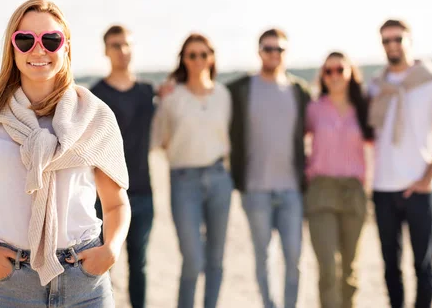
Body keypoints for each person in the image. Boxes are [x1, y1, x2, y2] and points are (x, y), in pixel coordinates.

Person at [0, 0, 131, 308]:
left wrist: (111, 249)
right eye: (26, 40)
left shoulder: (95, 117)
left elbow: (115, 204)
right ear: (12, 47)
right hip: (12, 286)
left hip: (85, 284)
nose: (38, 49)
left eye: (51, 39)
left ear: (66, 47)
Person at [369, 19, 432, 308]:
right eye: (386, 40)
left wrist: (428, 178)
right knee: (390, 265)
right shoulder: (376, 86)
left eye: (398, 39)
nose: (392, 45)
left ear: (410, 40)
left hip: (419, 189)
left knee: (423, 265)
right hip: (383, 188)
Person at [227, 28, 310, 308]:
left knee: (294, 258)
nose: (273, 54)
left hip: (291, 191)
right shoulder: (240, 89)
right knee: (262, 257)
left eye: (279, 49)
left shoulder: (299, 91)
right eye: (268, 48)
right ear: (259, 51)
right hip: (255, 190)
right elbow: (205, 92)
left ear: (286, 54)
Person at [151, 33, 233, 308]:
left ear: (211, 58)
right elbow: (159, 139)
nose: (198, 60)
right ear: (184, 60)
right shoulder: (172, 96)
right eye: (192, 55)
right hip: (184, 180)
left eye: (203, 54)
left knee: (216, 258)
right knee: (193, 258)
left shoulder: (223, 95)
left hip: (220, 179)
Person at [91, 25, 155, 308]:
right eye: (116, 45)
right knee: (105, 264)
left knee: (139, 265)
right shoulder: (95, 95)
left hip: (143, 191)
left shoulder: (147, 92)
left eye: (127, 44)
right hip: (103, 195)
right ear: (106, 51)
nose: (123, 51)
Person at [305, 52, 374, 308]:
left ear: (350, 73)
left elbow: (384, 138)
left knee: (349, 268)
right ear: (323, 76)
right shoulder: (313, 108)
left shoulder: (364, 107)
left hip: (353, 191)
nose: (334, 75)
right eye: (328, 71)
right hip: (321, 190)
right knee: (327, 267)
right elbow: (291, 140)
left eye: (339, 70)